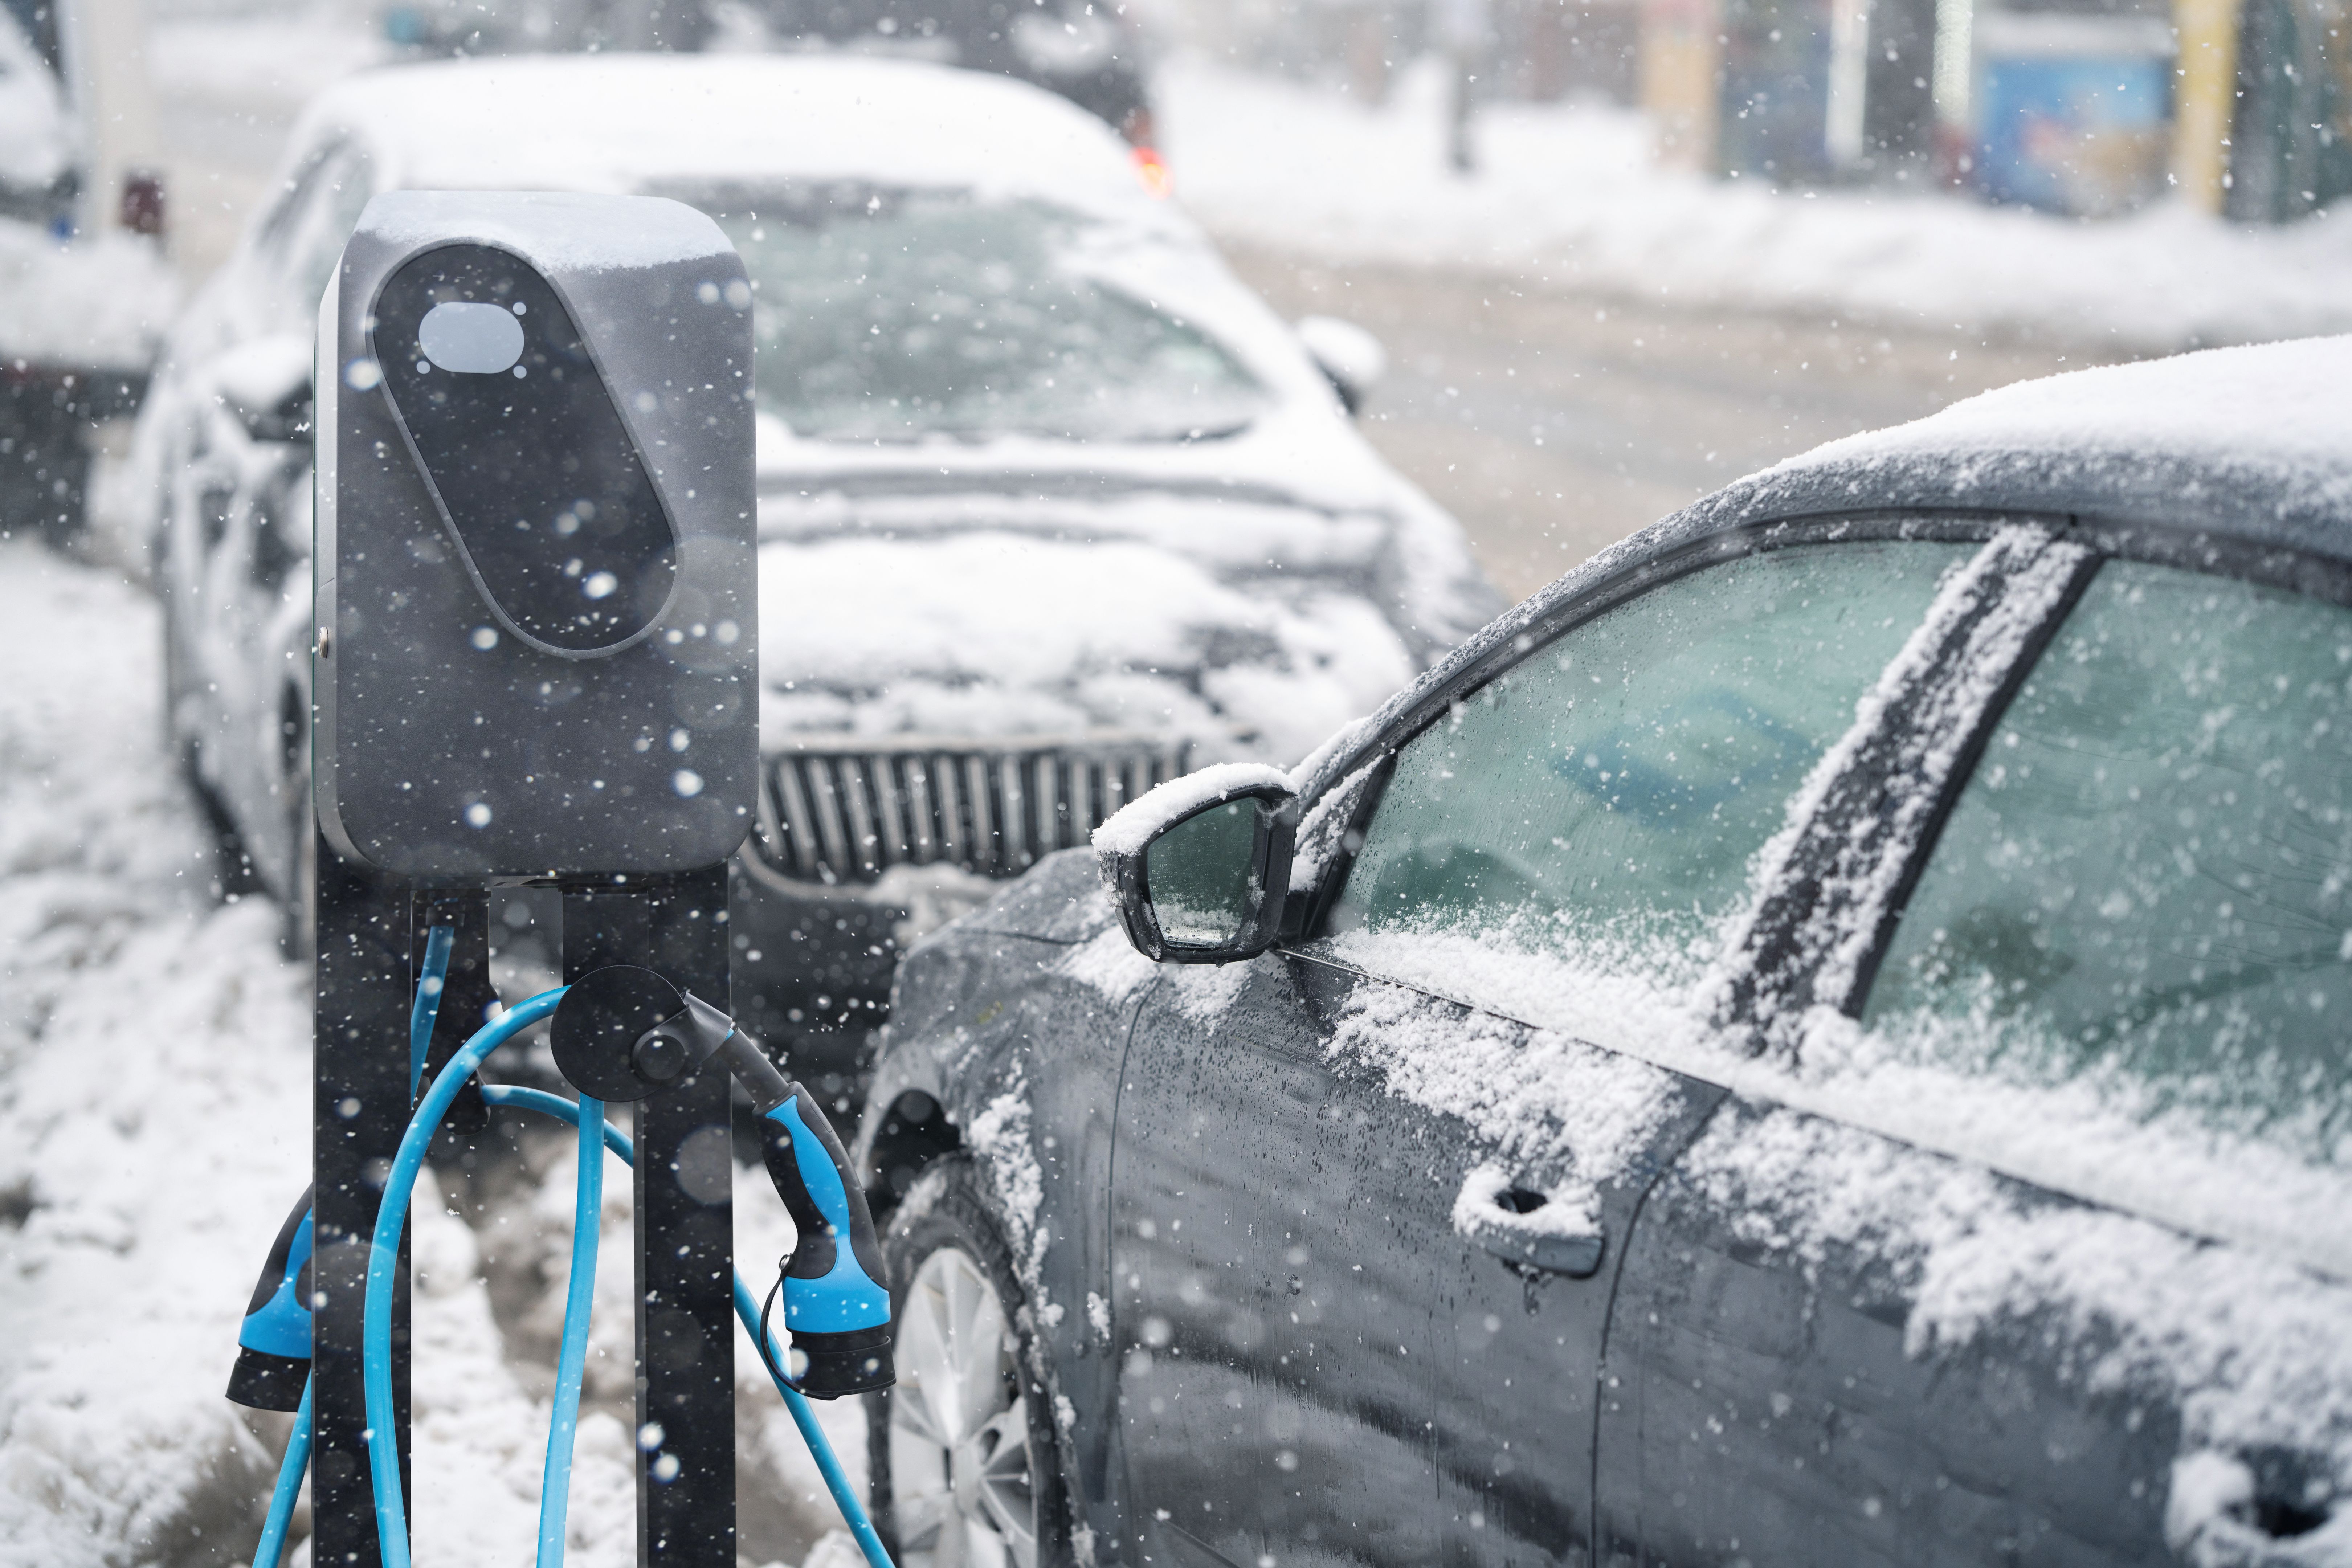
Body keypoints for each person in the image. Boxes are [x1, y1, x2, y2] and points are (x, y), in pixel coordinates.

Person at [1430, 0, 1492, 173]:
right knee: (1457, 105)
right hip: (1457, 52)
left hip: (1468, 51)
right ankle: (1458, 150)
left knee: (1467, 106)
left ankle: (1464, 149)